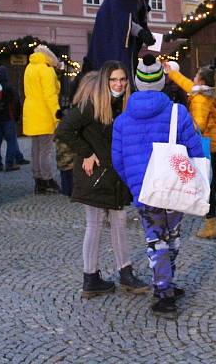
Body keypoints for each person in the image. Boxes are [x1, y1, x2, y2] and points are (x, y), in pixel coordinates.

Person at [112, 56, 204, 316]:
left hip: (145, 191)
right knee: (172, 237)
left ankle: (164, 286)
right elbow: (196, 151)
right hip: (175, 187)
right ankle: (165, 289)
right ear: (162, 82)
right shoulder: (178, 112)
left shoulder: (121, 121)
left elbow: (118, 160)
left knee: (156, 239)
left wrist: (135, 184)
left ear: (137, 83)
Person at [57, 61, 149, 298]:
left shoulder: (125, 105)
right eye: (113, 80)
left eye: (122, 79)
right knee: (95, 225)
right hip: (96, 176)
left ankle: (124, 272)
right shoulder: (92, 105)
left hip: (116, 175)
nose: (119, 84)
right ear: (104, 82)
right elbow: (63, 130)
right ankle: (91, 277)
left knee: (118, 221)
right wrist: (86, 152)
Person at [165, 59, 216, 240]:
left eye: (195, 76)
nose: (192, 78)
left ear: (201, 82)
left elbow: (199, 125)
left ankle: (211, 225)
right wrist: (171, 72)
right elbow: (187, 85)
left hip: (205, 145)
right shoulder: (210, 93)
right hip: (215, 143)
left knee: (207, 185)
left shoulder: (200, 99)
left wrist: (186, 136)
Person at [84, 0, 162, 74]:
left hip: (129, 41)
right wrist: (141, 32)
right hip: (111, 37)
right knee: (114, 68)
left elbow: (141, 16)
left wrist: (146, 32)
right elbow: (120, 19)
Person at [23, 45, 63, 195]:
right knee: (45, 150)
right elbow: (50, 95)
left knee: (36, 149)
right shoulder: (47, 70)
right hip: (44, 113)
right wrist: (57, 115)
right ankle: (47, 180)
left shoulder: (29, 68)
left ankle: (38, 180)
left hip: (31, 112)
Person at [0, 65, 27, 172]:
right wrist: (17, 116)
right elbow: (17, 103)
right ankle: (9, 164)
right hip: (8, 118)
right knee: (11, 141)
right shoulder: (9, 87)